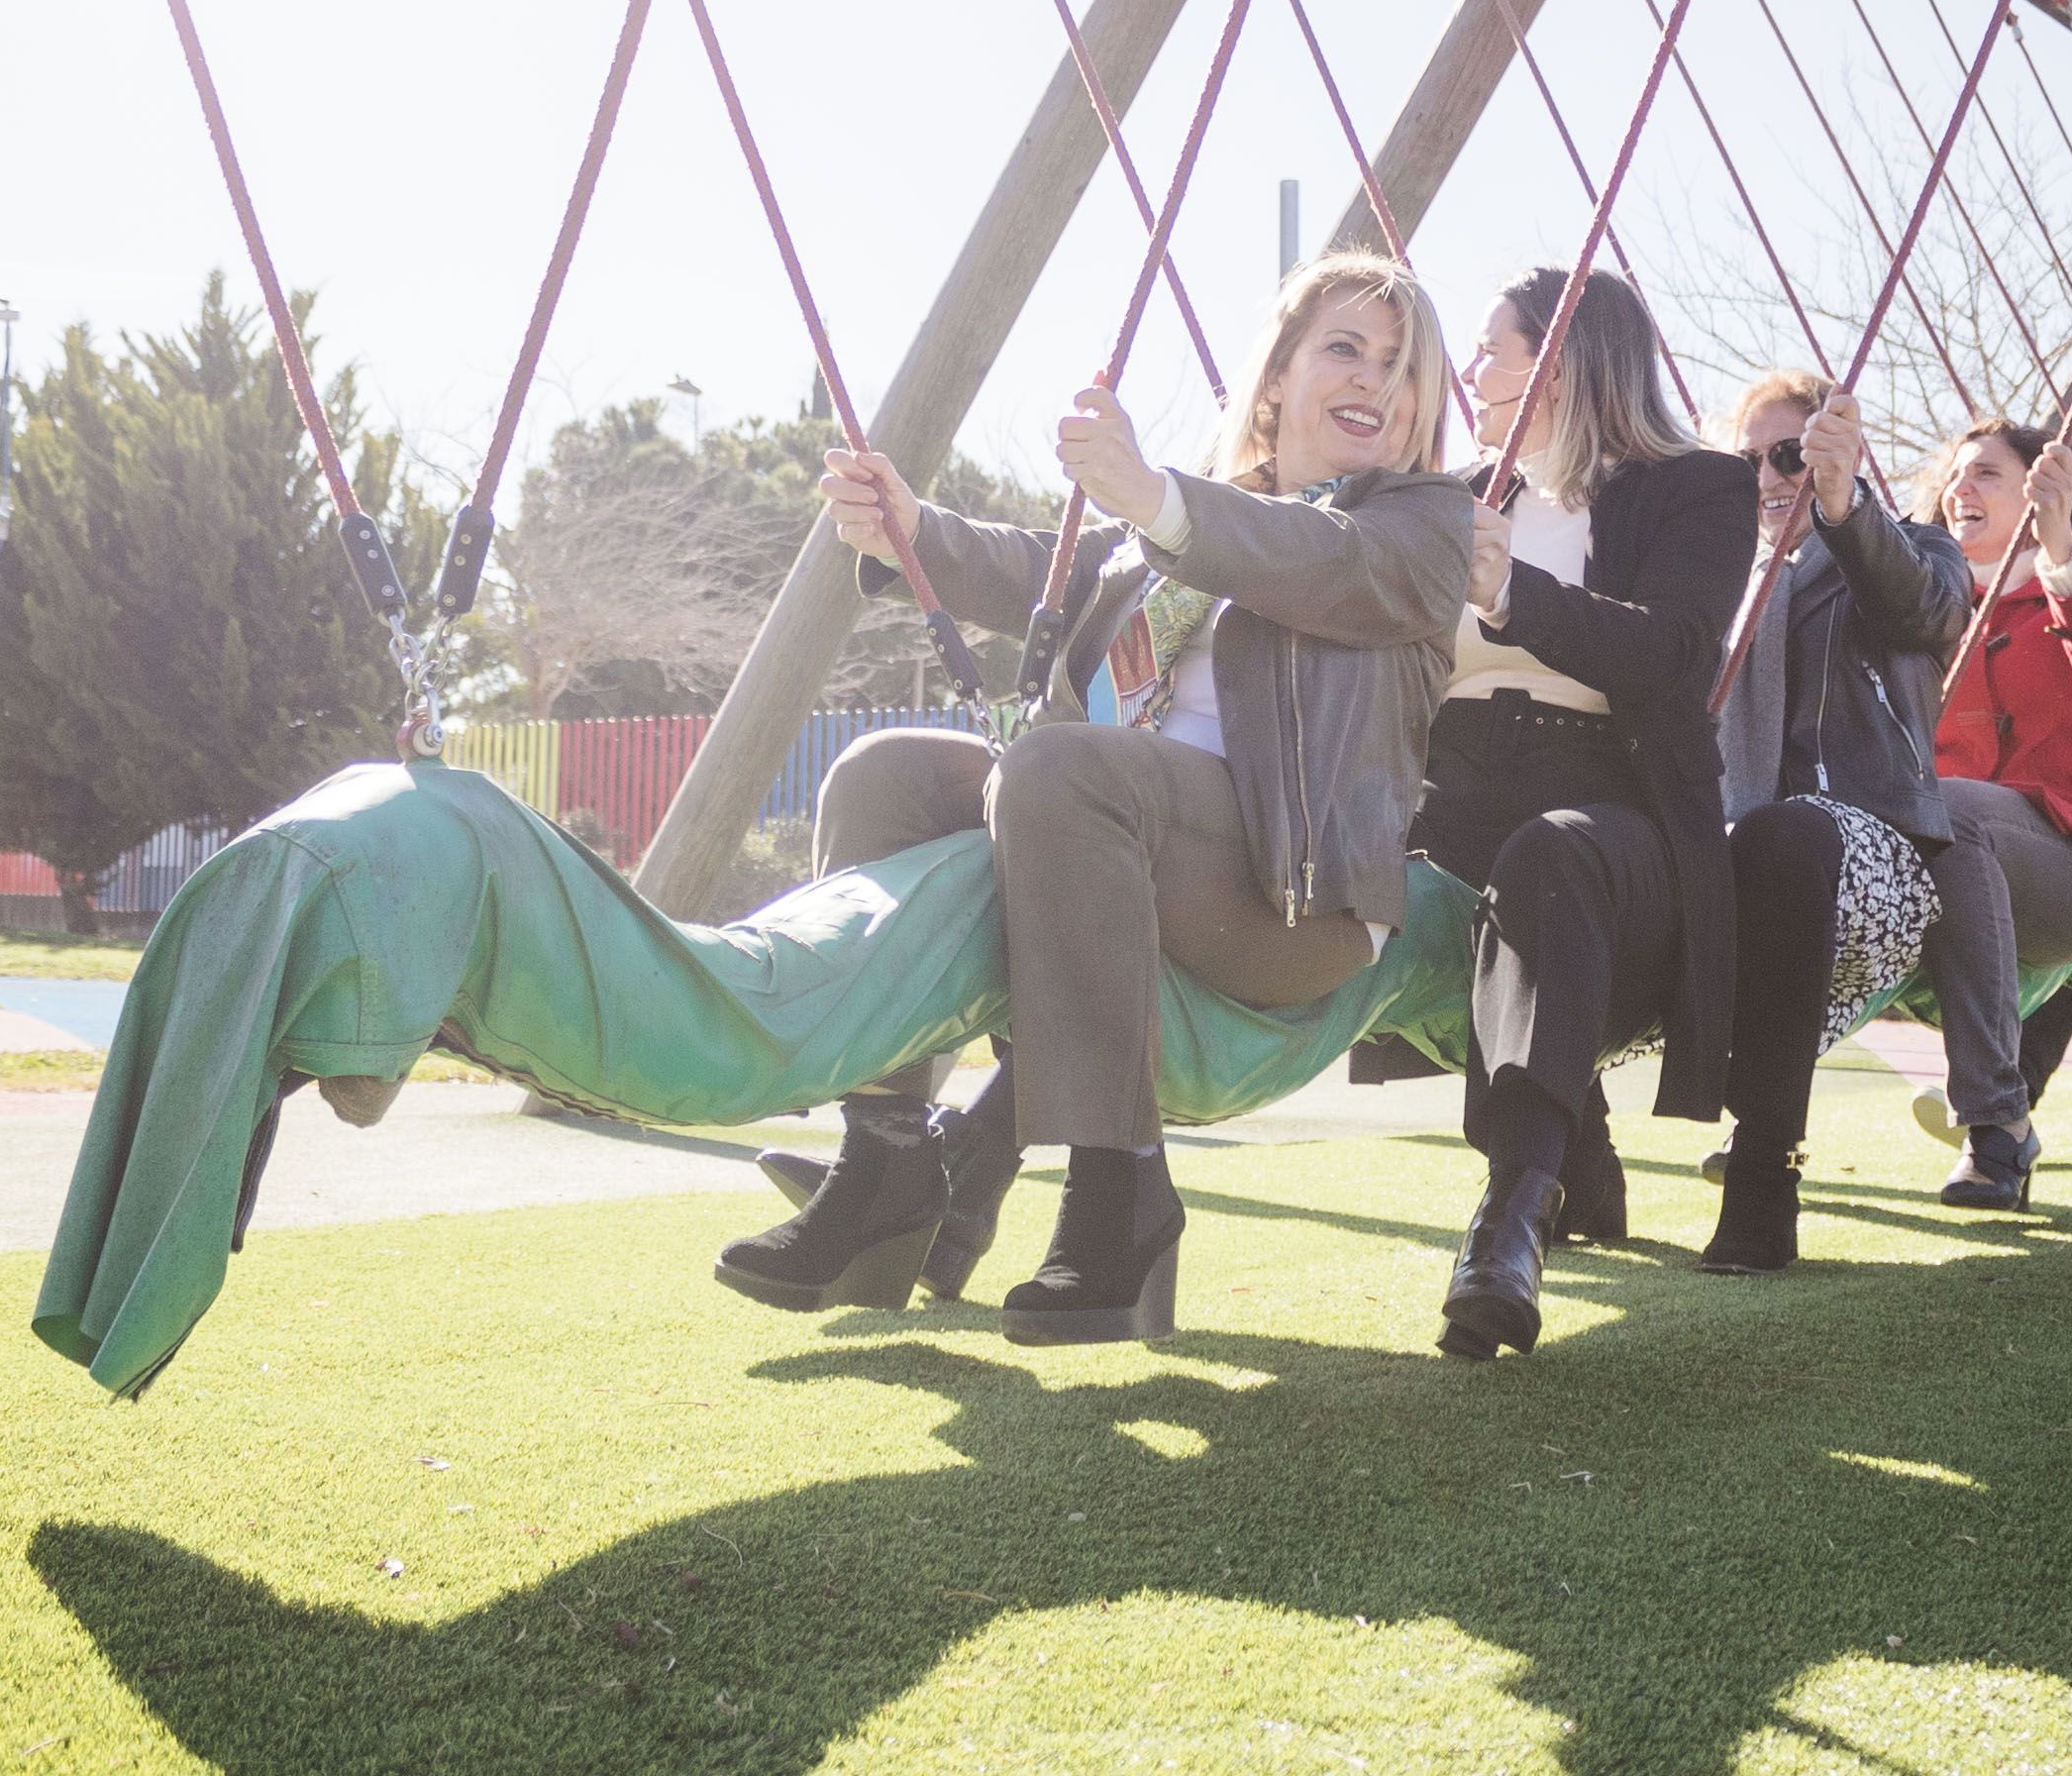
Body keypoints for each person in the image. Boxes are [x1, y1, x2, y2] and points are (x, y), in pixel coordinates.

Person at [712, 253, 1471, 1344]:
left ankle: (1120, 1187)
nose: (1375, 377)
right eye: (1344, 348)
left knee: (1064, 767)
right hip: (1115, 826)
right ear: (1275, 381)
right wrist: (914, 531)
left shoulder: (1420, 528)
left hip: (1286, 897)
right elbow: (1049, 568)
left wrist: (1160, 498)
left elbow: (1309, 557)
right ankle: (885, 1157)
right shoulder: (1176, 534)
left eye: (1403, 365)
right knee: (884, 773)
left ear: (1422, 406)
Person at [1410, 267, 1754, 1357]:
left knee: (1547, 859)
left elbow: (1672, 651)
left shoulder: (1698, 486)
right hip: (1451, 792)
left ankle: (1513, 1213)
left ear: (1556, 363)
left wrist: (1515, 598)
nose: (1469, 370)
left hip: (1614, 803)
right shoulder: (1454, 494)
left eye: (1491, 348)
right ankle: (1039, 1151)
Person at [1703, 369, 1966, 1270]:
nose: (1772, 479)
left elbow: (1919, 610)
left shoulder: (1913, 552)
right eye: (1751, 464)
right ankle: (1576, 1162)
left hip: (1871, 863)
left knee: (1783, 834)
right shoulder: (1712, 585)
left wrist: (1842, 505)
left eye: (1791, 455)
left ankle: (1765, 1172)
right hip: (1740, 856)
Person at [1909, 419, 2072, 1204]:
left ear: (2040, 488)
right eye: (1955, 474)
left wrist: (2062, 556)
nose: (1962, 488)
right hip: (1941, 852)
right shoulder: (1920, 592)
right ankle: (1763, 1124)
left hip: (2071, 865)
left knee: (1955, 813)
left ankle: (1999, 1119)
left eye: (1986, 472)